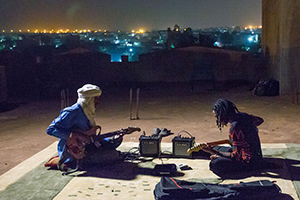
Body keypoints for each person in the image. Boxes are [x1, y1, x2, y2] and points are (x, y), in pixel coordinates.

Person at [46, 84, 126, 170]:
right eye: (96, 99)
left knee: (116, 140)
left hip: (87, 145)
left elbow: (89, 137)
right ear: (88, 100)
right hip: (74, 152)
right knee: (113, 155)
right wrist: (72, 135)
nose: (98, 102)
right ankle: (71, 161)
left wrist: (112, 138)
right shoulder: (72, 112)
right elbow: (51, 129)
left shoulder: (87, 112)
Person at [201, 99, 264, 177]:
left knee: (214, 164)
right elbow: (260, 120)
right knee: (215, 148)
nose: (218, 120)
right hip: (255, 156)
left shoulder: (235, 127)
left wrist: (215, 153)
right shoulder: (243, 116)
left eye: (217, 117)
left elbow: (236, 156)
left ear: (222, 114)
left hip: (249, 163)